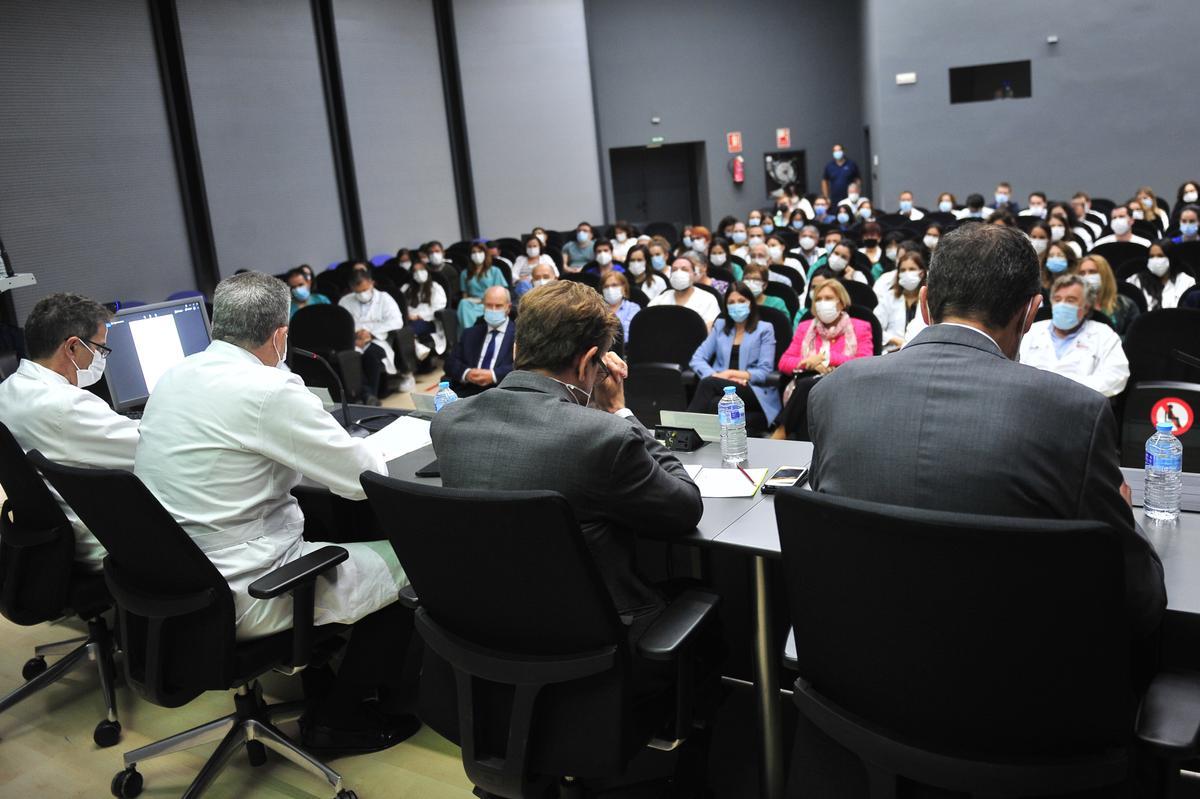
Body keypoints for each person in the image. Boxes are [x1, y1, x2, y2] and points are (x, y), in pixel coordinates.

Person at [797, 223, 1165, 799]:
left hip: (865, 693)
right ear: (1030, 312)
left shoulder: (836, 391)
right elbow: (1139, 601)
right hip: (1018, 719)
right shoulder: (1075, 413)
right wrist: (1125, 516)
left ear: (923, 303)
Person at [134, 271, 419, 753]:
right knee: (415, 564)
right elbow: (360, 480)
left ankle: (321, 685)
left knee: (326, 528)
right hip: (250, 584)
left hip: (177, 579)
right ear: (281, 335)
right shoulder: (269, 390)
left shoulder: (176, 374)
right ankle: (340, 717)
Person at [430, 279, 705, 686]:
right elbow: (685, 507)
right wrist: (620, 411)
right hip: (596, 646)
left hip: (487, 637)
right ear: (588, 361)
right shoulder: (603, 436)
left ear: (516, 350)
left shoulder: (448, 422)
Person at [0, 294, 138, 571]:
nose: (101, 358)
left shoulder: (9, 389)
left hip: (58, 533)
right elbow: (155, 448)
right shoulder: (68, 406)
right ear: (73, 348)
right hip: (102, 540)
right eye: (100, 349)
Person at [773, 279, 873, 440]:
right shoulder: (805, 327)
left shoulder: (861, 326)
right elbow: (784, 362)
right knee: (811, 388)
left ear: (841, 302)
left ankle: (781, 431)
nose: (822, 303)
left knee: (809, 386)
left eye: (828, 298)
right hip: (807, 384)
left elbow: (865, 363)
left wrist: (827, 358)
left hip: (845, 385)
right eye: (818, 299)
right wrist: (810, 362)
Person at [686, 283, 779, 435]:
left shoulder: (764, 329)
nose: (737, 305)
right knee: (715, 403)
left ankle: (683, 430)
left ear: (750, 303)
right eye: (731, 302)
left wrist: (730, 374)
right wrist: (717, 377)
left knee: (709, 385)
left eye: (741, 301)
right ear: (726, 306)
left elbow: (764, 372)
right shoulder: (721, 326)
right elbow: (697, 359)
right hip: (721, 386)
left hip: (751, 388)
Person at [1018, 274, 1129, 397]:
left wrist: (1069, 388)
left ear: (1086, 307)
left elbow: (1117, 376)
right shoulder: (1031, 331)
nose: (1062, 305)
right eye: (1058, 299)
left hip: (1081, 405)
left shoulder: (1103, 334)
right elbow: (1014, 370)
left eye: (1070, 300)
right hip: (1030, 401)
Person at [339, 270, 414, 401]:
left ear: (372, 283)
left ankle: (369, 394)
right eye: (358, 292)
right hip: (355, 341)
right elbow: (342, 324)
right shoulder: (345, 301)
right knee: (349, 357)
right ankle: (364, 395)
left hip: (379, 339)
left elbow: (396, 321)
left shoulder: (384, 298)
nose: (362, 294)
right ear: (351, 289)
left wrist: (371, 334)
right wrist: (356, 335)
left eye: (365, 289)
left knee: (371, 355)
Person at [443, 286, 515, 397]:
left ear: (508, 307)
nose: (493, 310)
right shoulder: (470, 333)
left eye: (498, 306)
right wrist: (467, 373)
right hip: (468, 393)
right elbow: (450, 362)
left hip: (502, 394)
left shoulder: (519, 335)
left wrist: (494, 375)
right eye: (489, 305)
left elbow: (524, 368)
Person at [648, 253, 721, 329]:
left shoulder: (708, 299)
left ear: (694, 274)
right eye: (674, 270)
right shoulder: (659, 300)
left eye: (684, 269)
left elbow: (710, 329)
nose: (678, 273)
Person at [874, 252, 925, 353]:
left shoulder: (930, 299)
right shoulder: (889, 297)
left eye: (912, 269)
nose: (907, 273)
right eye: (903, 270)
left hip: (921, 351)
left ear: (922, 273)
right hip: (892, 351)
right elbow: (876, 326)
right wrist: (895, 340)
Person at [1078, 254, 1139, 337]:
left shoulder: (1126, 305)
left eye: (1092, 272)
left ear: (1104, 275)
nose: (1087, 276)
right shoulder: (1074, 305)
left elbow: (1133, 338)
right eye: (1082, 273)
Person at [1127, 241, 1197, 310]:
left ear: (1171, 258)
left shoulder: (1187, 281)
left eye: (1160, 256)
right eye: (1152, 256)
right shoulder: (1135, 280)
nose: (1155, 260)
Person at [401, 259, 448, 360]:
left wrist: (420, 316)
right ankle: (417, 347)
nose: (419, 273)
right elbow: (401, 306)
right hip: (409, 320)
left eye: (421, 269)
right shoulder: (407, 288)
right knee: (402, 331)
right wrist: (409, 315)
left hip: (428, 321)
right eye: (415, 271)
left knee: (409, 331)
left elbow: (439, 308)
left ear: (427, 271)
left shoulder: (435, 287)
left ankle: (417, 349)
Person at [457, 241, 508, 331]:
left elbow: (502, 292)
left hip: (490, 304)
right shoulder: (464, 273)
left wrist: (485, 301)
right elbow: (464, 294)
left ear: (485, 253)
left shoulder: (495, 271)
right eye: (474, 252)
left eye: (480, 252)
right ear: (470, 255)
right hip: (472, 304)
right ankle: (469, 333)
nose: (477, 254)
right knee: (463, 303)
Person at [601, 270, 640, 342]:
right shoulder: (598, 310)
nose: (610, 289)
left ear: (624, 288)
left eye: (614, 285)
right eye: (606, 286)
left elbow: (626, 336)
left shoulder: (633, 308)